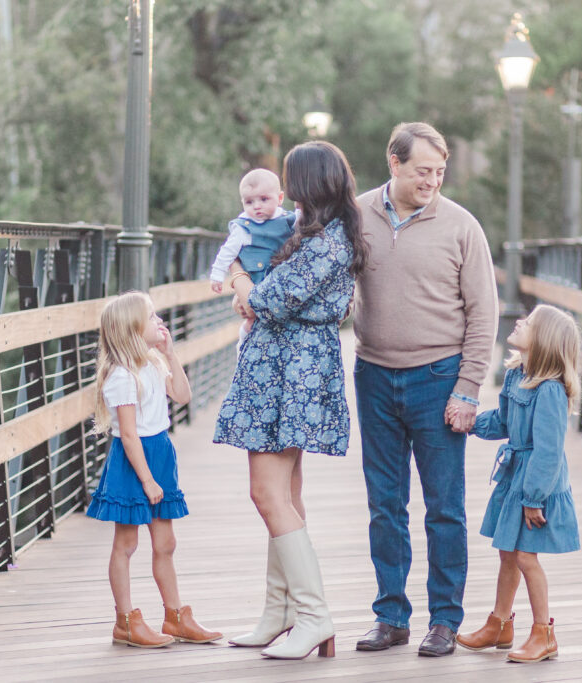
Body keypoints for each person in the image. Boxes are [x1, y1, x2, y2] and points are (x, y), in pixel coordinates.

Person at [213, 141, 370, 660]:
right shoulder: (313, 234)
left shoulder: (327, 241)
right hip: (286, 366)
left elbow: (266, 299)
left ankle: (314, 614)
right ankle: (281, 610)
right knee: (286, 492)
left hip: (291, 371)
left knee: (267, 494)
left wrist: (237, 277)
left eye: (292, 184)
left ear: (308, 185)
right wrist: (246, 286)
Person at [352, 122, 498, 657]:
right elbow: (322, 274)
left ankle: (444, 620)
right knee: (384, 504)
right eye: (422, 171)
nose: (432, 181)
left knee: (444, 507)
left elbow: (485, 315)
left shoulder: (462, 226)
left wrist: (467, 389)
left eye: (439, 172)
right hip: (372, 375)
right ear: (394, 163)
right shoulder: (358, 214)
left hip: (439, 379)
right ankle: (391, 616)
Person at [86, 292, 222, 648]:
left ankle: (175, 616)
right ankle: (126, 621)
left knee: (166, 542)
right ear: (131, 329)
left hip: (160, 453)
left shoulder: (152, 363)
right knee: (127, 543)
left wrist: (170, 354)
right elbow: (128, 435)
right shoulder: (121, 376)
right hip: (135, 463)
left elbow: (183, 395)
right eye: (151, 318)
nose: (159, 322)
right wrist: (146, 480)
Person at [456, 304, 581, 663]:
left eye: (528, 322)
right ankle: (499, 624)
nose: (518, 321)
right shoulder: (515, 375)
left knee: (526, 556)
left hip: (536, 485)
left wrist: (533, 498)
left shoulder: (551, 391)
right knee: (507, 552)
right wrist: (471, 424)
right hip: (516, 477)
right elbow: (504, 422)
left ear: (543, 340)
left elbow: (548, 451)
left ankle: (544, 633)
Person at [209, 169, 297, 345]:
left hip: (281, 282)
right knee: (251, 320)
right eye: (249, 202)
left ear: (280, 198)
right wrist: (217, 275)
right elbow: (227, 251)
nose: (257, 206)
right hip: (256, 283)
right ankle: (243, 346)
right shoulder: (243, 228)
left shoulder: (290, 220)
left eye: (264, 199)